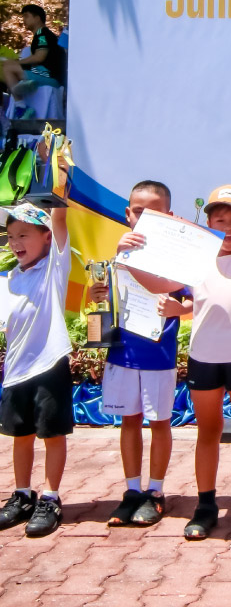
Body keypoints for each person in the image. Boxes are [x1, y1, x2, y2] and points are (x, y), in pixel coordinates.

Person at [127, 185, 231, 540]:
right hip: (203, 360)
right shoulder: (196, 261)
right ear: (208, 223)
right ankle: (206, 505)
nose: (227, 227)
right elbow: (157, 284)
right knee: (208, 432)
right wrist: (129, 257)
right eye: (219, 219)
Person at [91, 181, 192, 527]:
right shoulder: (117, 254)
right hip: (121, 354)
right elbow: (102, 302)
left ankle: (156, 492)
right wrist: (97, 293)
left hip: (158, 355)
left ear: (169, 216)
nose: (144, 218)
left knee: (159, 422)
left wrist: (180, 308)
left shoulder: (176, 260)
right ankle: (132, 490)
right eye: (138, 211)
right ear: (127, 214)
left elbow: (191, 301)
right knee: (129, 422)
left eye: (154, 212)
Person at [0, 203, 71, 537]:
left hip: (49, 367)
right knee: (21, 436)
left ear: (46, 238)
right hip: (16, 372)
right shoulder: (8, 279)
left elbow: (59, 218)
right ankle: (23, 494)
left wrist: (57, 179)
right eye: (11, 236)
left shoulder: (54, 268)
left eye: (24, 234)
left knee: (52, 435)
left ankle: (51, 497)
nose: (15, 242)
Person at [1, 4, 66, 117]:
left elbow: (39, 57)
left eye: (26, 16)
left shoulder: (42, 34)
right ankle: (23, 87)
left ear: (37, 18)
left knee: (8, 67)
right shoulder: (42, 35)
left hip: (49, 76)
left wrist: (16, 63)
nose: (23, 20)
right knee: (13, 73)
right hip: (46, 74)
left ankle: (21, 108)